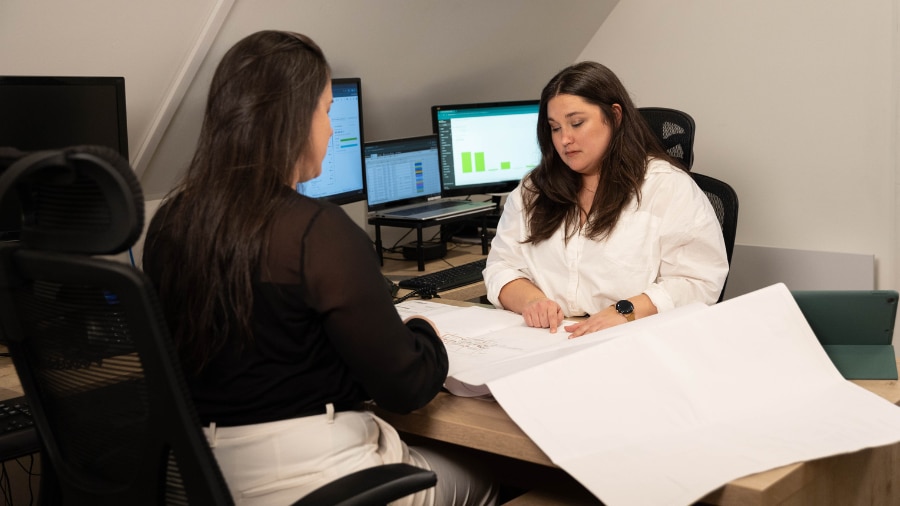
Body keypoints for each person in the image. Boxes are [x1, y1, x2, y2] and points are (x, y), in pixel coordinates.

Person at [143, 30, 496, 506]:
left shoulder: (171, 220)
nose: (331, 129)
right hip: (310, 479)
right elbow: (405, 387)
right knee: (490, 478)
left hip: (194, 476)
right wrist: (425, 335)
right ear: (291, 120)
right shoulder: (315, 231)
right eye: (326, 111)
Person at [483, 61, 728, 338]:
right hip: (546, 339)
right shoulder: (534, 189)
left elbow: (698, 282)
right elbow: (500, 266)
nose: (565, 139)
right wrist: (532, 301)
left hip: (633, 339)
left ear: (614, 116)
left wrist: (624, 311)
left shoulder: (666, 187)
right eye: (554, 128)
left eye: (577, 123)